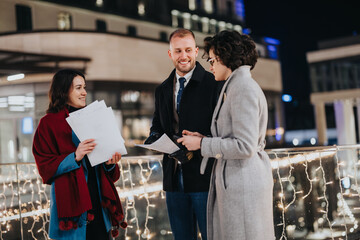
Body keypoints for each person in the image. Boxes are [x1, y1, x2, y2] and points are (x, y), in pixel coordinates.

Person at [177, 30, 275, 240]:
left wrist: (202, 146)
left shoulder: (242, 88)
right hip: (240, 180)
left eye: (212, 59)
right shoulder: (236, 86)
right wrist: (203, 140)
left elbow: (244, 146)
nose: (210, 65)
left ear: (225, 57)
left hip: (243, 183)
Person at [144, 29, 221, 240]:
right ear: (170, 54)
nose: (183, 56)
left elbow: (221, 130)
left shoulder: (213, 83)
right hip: (173, 179)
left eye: (188, 50)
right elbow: (157, 126)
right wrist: (155, 139)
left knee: (211, 236)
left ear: (196, 52)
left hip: (204, 177)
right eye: (178, 51)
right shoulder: (162, 89)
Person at [32, 69, 126, 240]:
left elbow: (105, 169)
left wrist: (110, 162)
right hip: (72, 208)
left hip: (98, 201)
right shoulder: (48, 123)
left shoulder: (93, 116)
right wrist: (75, 156)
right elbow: (44, 166)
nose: (84, 92)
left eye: (84, 87)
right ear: (64, 90)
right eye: (78, 88)